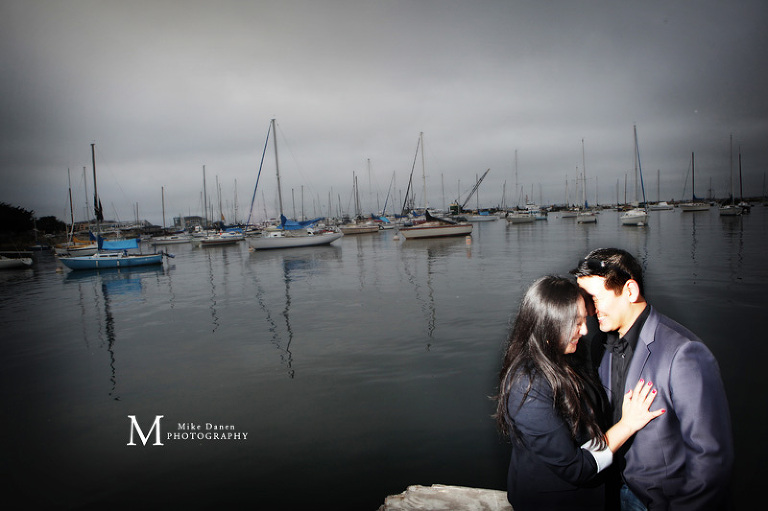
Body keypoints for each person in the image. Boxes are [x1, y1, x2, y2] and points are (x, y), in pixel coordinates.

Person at [572, 248, 734, 510]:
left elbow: (711, 460)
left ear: (630, 291)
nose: (589, 310)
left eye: (594, 298)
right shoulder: (599, 345)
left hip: (659, 501)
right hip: (610, 492)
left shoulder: (684, 353)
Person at [495, 275, 664, 511]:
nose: (585, 331)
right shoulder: (529, 386)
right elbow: (576, 467)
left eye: (584, 320)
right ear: (549, 325)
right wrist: (628, 424)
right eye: (575, 323)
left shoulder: (566, 356)